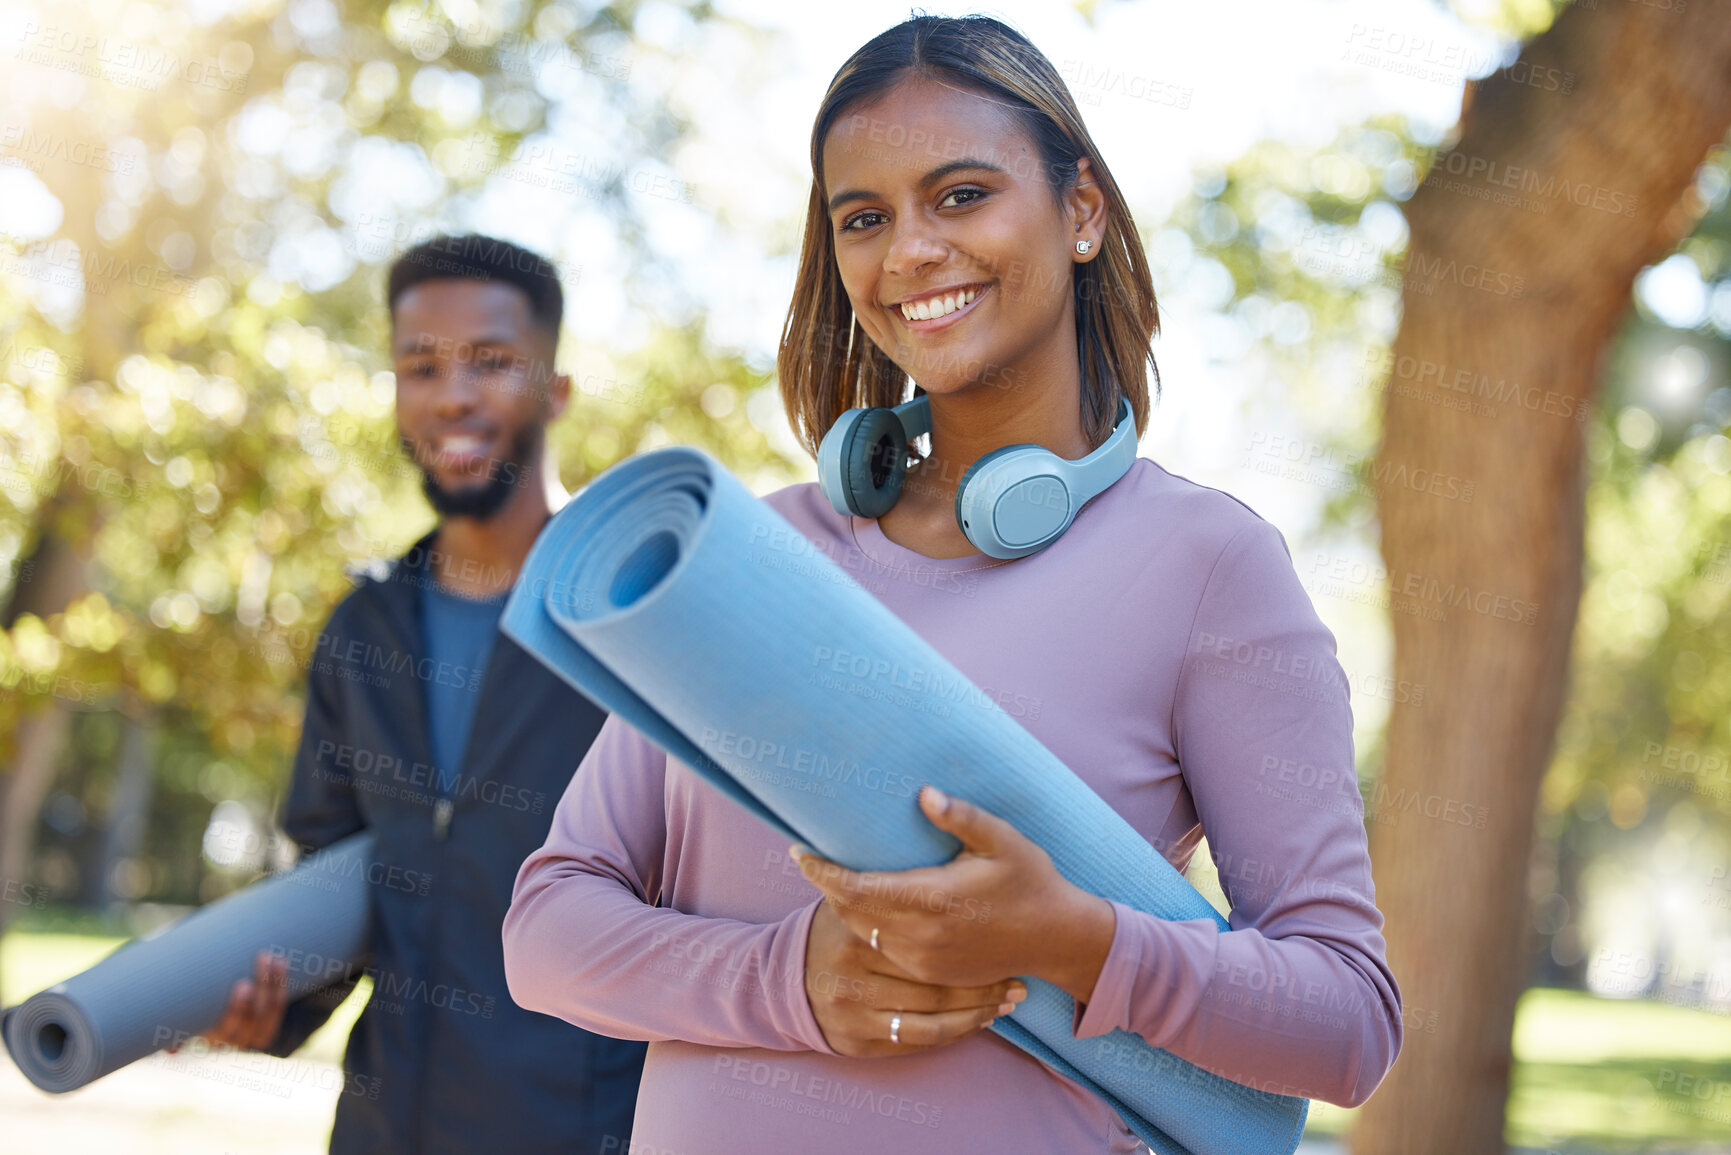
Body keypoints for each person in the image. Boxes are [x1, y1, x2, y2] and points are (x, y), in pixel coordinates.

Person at [501, 16, 1401, 1154]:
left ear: (1082, 211)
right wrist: (789, 982)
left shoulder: (1210, 568)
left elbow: (1348, 1026)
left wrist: (1072, 938)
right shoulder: (740, 566)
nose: (911, 252)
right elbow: (547, 930)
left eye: (963, 195)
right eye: (864, 219)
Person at [184, 235, 646, 1154]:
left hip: (580, 1131)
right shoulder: (363, 631)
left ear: (555, 389)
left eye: (490, 362)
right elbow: (333, 875)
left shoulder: (630, 614)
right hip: (380, 1129)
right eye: (420, 365)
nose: (452, 394)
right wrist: (266, 1012)